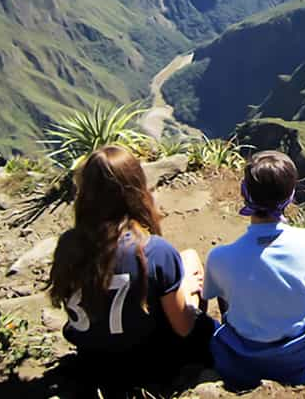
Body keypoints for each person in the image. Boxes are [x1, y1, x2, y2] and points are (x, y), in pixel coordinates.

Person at [48, 145, 216, 395]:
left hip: (92, 363)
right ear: (136, 190)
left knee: (186, 259)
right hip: (150, 366)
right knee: (189, 262)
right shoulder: (154, 250)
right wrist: (189, 294)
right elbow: (183, 327)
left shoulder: (68, 245)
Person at [202, 150, 305, 389]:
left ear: (244, 193)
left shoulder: (219, 257)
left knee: (229, 287)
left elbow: (218, 298)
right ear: (291, 195)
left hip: (246, 357)